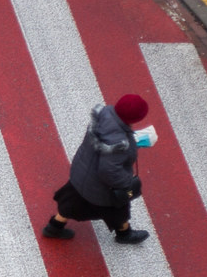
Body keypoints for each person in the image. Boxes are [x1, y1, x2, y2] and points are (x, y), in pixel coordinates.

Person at [42, 94, 151, 244]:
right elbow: (109, 171)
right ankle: (124, 234)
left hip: (82, 173)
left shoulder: (103, 116)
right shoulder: (119, 143)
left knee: (71, 201)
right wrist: (126, 181)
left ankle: (54, 227)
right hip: (100, 187)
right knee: (119, 209)